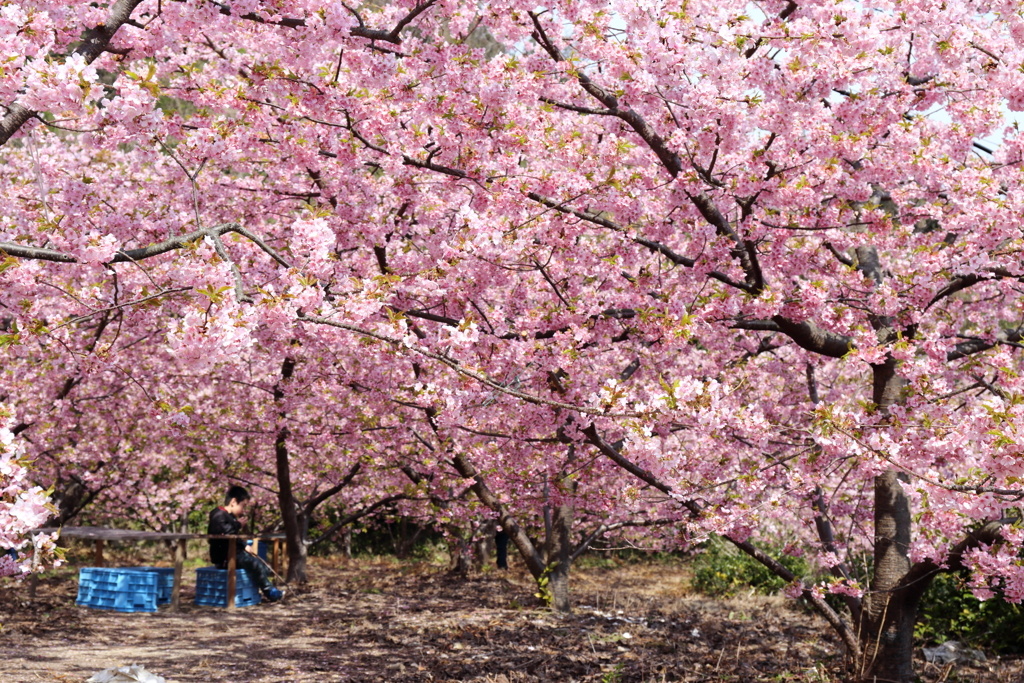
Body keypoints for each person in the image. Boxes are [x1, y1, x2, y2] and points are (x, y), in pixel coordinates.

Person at [208, 485, 283, 602]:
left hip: (235, 554)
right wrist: (238, 525)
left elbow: (234, 537)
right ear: (233, 502)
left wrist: (244, 546)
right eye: (243, 506)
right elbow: (226, 532)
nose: (243, 510)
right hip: (225, 558)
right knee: (255, 564)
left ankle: (261, 589)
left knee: (263, 566)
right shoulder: (218, 515)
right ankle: (270, 592)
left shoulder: (228, 517)